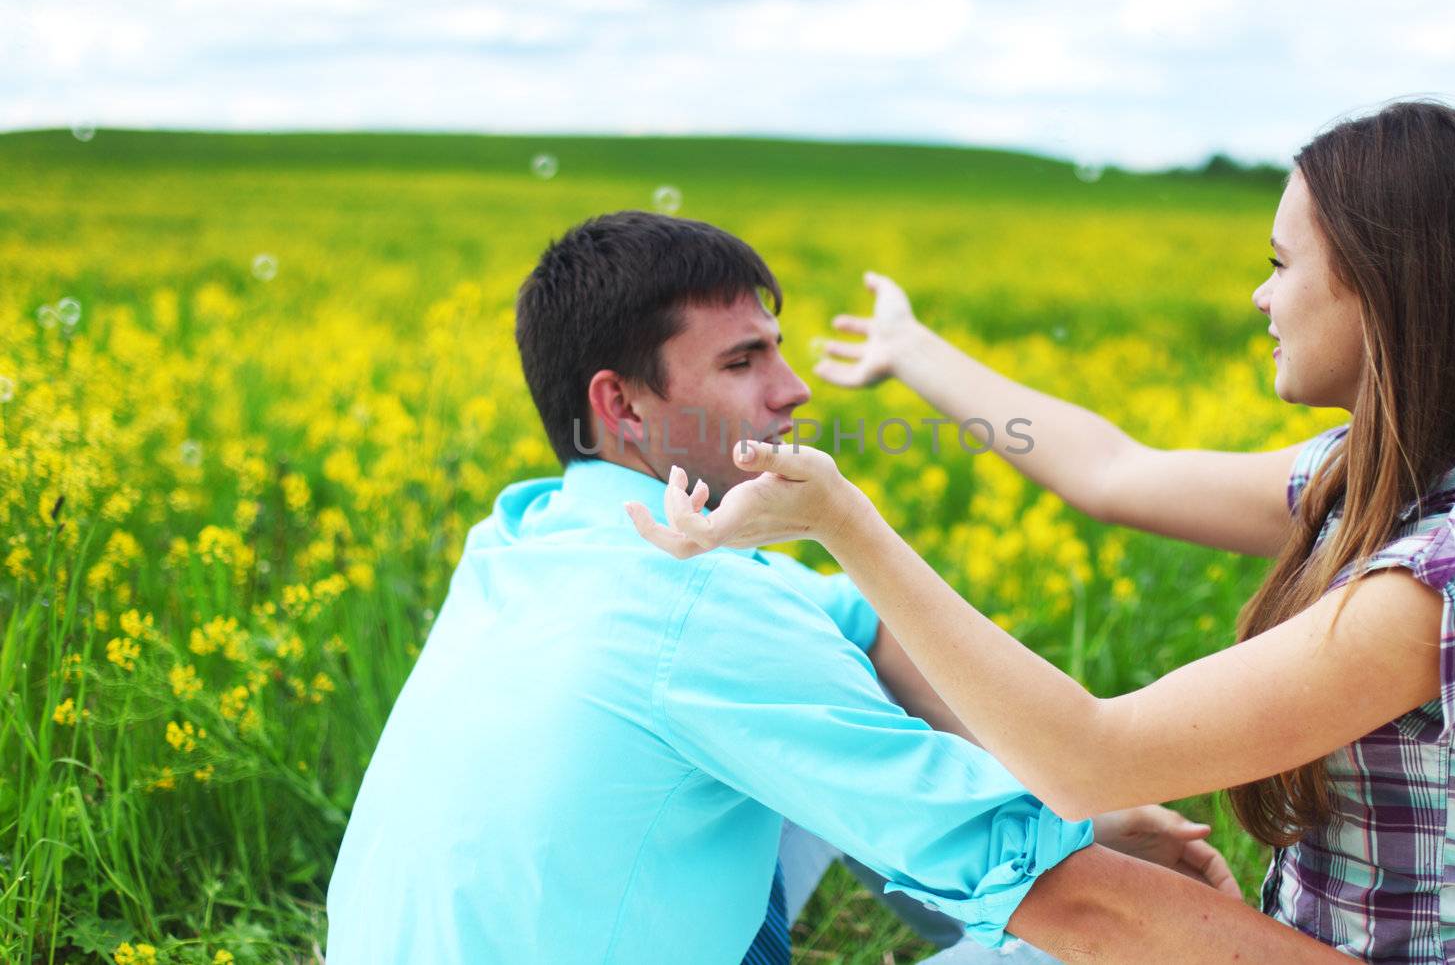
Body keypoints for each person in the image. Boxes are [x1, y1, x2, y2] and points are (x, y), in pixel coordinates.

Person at [629, 100, 1455, 963]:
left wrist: (844, 523)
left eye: (1279, 263)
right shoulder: (1376, 478)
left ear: (1383, 285)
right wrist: (913, 352)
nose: (1261, 296)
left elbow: (1090, 758)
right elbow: (1112, 470)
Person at [324, 211, 1352, 964]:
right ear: (622, 405)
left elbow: (854, 627)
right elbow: (1086, 909)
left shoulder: (524, 531)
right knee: (1074, 942)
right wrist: (1074, 844)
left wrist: (1079, 806)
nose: (794, 386)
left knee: (849, 707)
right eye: (743, 359)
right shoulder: (699, 614)